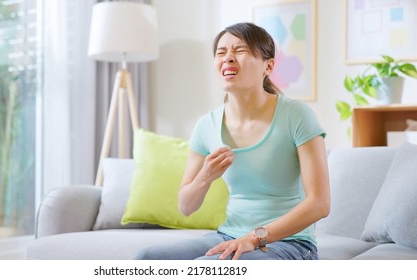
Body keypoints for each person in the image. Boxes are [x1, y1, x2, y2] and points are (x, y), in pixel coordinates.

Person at [133, 22, 330, 260]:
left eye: (240, 50)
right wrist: (205, 176)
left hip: (288, 242)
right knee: (146, 259)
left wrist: (254, 238)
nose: (228, 58)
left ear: (268, 66)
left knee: (210, 267)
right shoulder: (207, 125)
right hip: (227, 236)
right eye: (221, 52)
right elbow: (186, 206)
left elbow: (320, 204)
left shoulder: (296, 115)